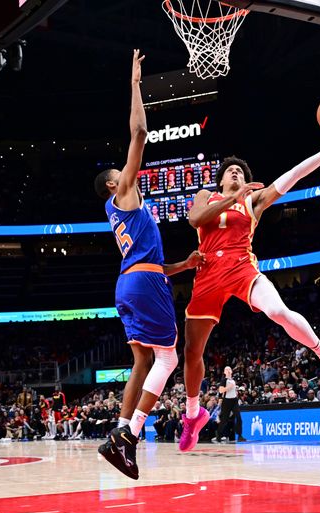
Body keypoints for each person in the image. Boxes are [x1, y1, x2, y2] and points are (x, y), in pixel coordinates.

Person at [178, 116, 320, 452]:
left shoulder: (253, 201)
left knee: (277, 309)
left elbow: (294, 174)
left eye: (241, 173)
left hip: (241, 267)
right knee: (192, 352)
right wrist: (233, 198)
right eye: (231, 171)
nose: (237, 174)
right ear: (221, 179)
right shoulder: (206, 195)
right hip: (207, 276)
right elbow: (195, 219)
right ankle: (193, 415)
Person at [93, 50, 203, 479]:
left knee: (143, 362)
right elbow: (138, 132)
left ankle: (121, 434)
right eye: (121, 172)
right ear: (111, 184)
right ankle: (131, 434)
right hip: (142, 285)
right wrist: (135, 82)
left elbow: (150, 265)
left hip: (130, 284)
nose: (128, 172)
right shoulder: (123, 194)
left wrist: (184, 265)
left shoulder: (120, 215)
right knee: (170, 360)